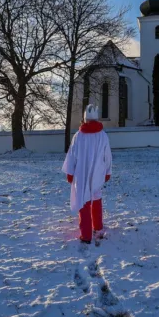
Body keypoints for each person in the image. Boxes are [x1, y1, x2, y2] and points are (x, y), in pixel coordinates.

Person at [62, 104, 112, 244]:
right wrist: (108, 171)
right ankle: (97, 226)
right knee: (96, 196)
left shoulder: (78, 136)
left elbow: (72, 155)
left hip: (81, 173)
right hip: (98, 172)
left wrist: (70, 172)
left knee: (83, 199)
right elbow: (107, 156)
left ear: (84, 119)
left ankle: (86, 234)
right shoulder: (103, 136)